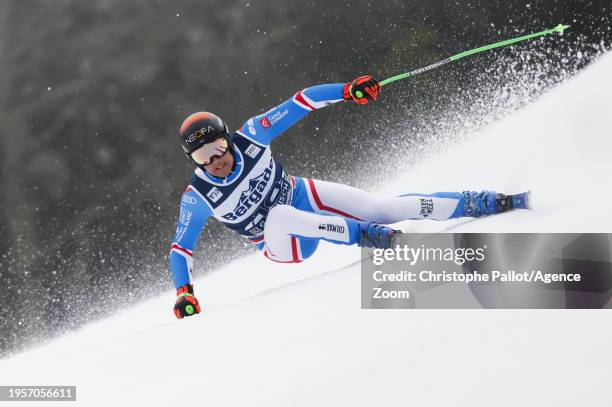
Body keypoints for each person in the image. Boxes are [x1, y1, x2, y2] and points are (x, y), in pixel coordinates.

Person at [169, 75, 530, 319]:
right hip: (282, 241)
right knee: (278, 215)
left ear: (227, 138)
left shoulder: (253, 135)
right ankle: (367, 236)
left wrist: (347, 90)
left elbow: (302, 101)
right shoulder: (198, 196)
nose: (215, 160)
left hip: (300, 195)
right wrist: (184, 292)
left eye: (217, 147)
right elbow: (180, 250)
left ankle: (482, 201)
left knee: (382, 207)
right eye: (203, 157)